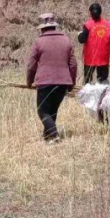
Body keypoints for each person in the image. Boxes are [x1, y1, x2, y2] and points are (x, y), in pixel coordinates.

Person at [26, 12, 77, 141]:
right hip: (63, 83)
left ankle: (54, 135)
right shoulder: (66, 40)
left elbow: (31, 66)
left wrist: (29, 81)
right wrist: (71, 83)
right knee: (52, 110)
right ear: (54, 26)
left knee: (42, 111)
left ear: (42, 28)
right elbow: (73, 65)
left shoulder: (39, 42)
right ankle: (47, 136)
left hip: (45, 82)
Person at [77, 2, 110, 84]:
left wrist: (79, 34)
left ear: (90, 12)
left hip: (90, 58)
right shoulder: (108, 24)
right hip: (104, 57)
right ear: (101, 12)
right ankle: (103, 95)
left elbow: (82, 40)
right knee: (103, 80)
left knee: (87, 81)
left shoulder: (88, 25)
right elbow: (109, 40)